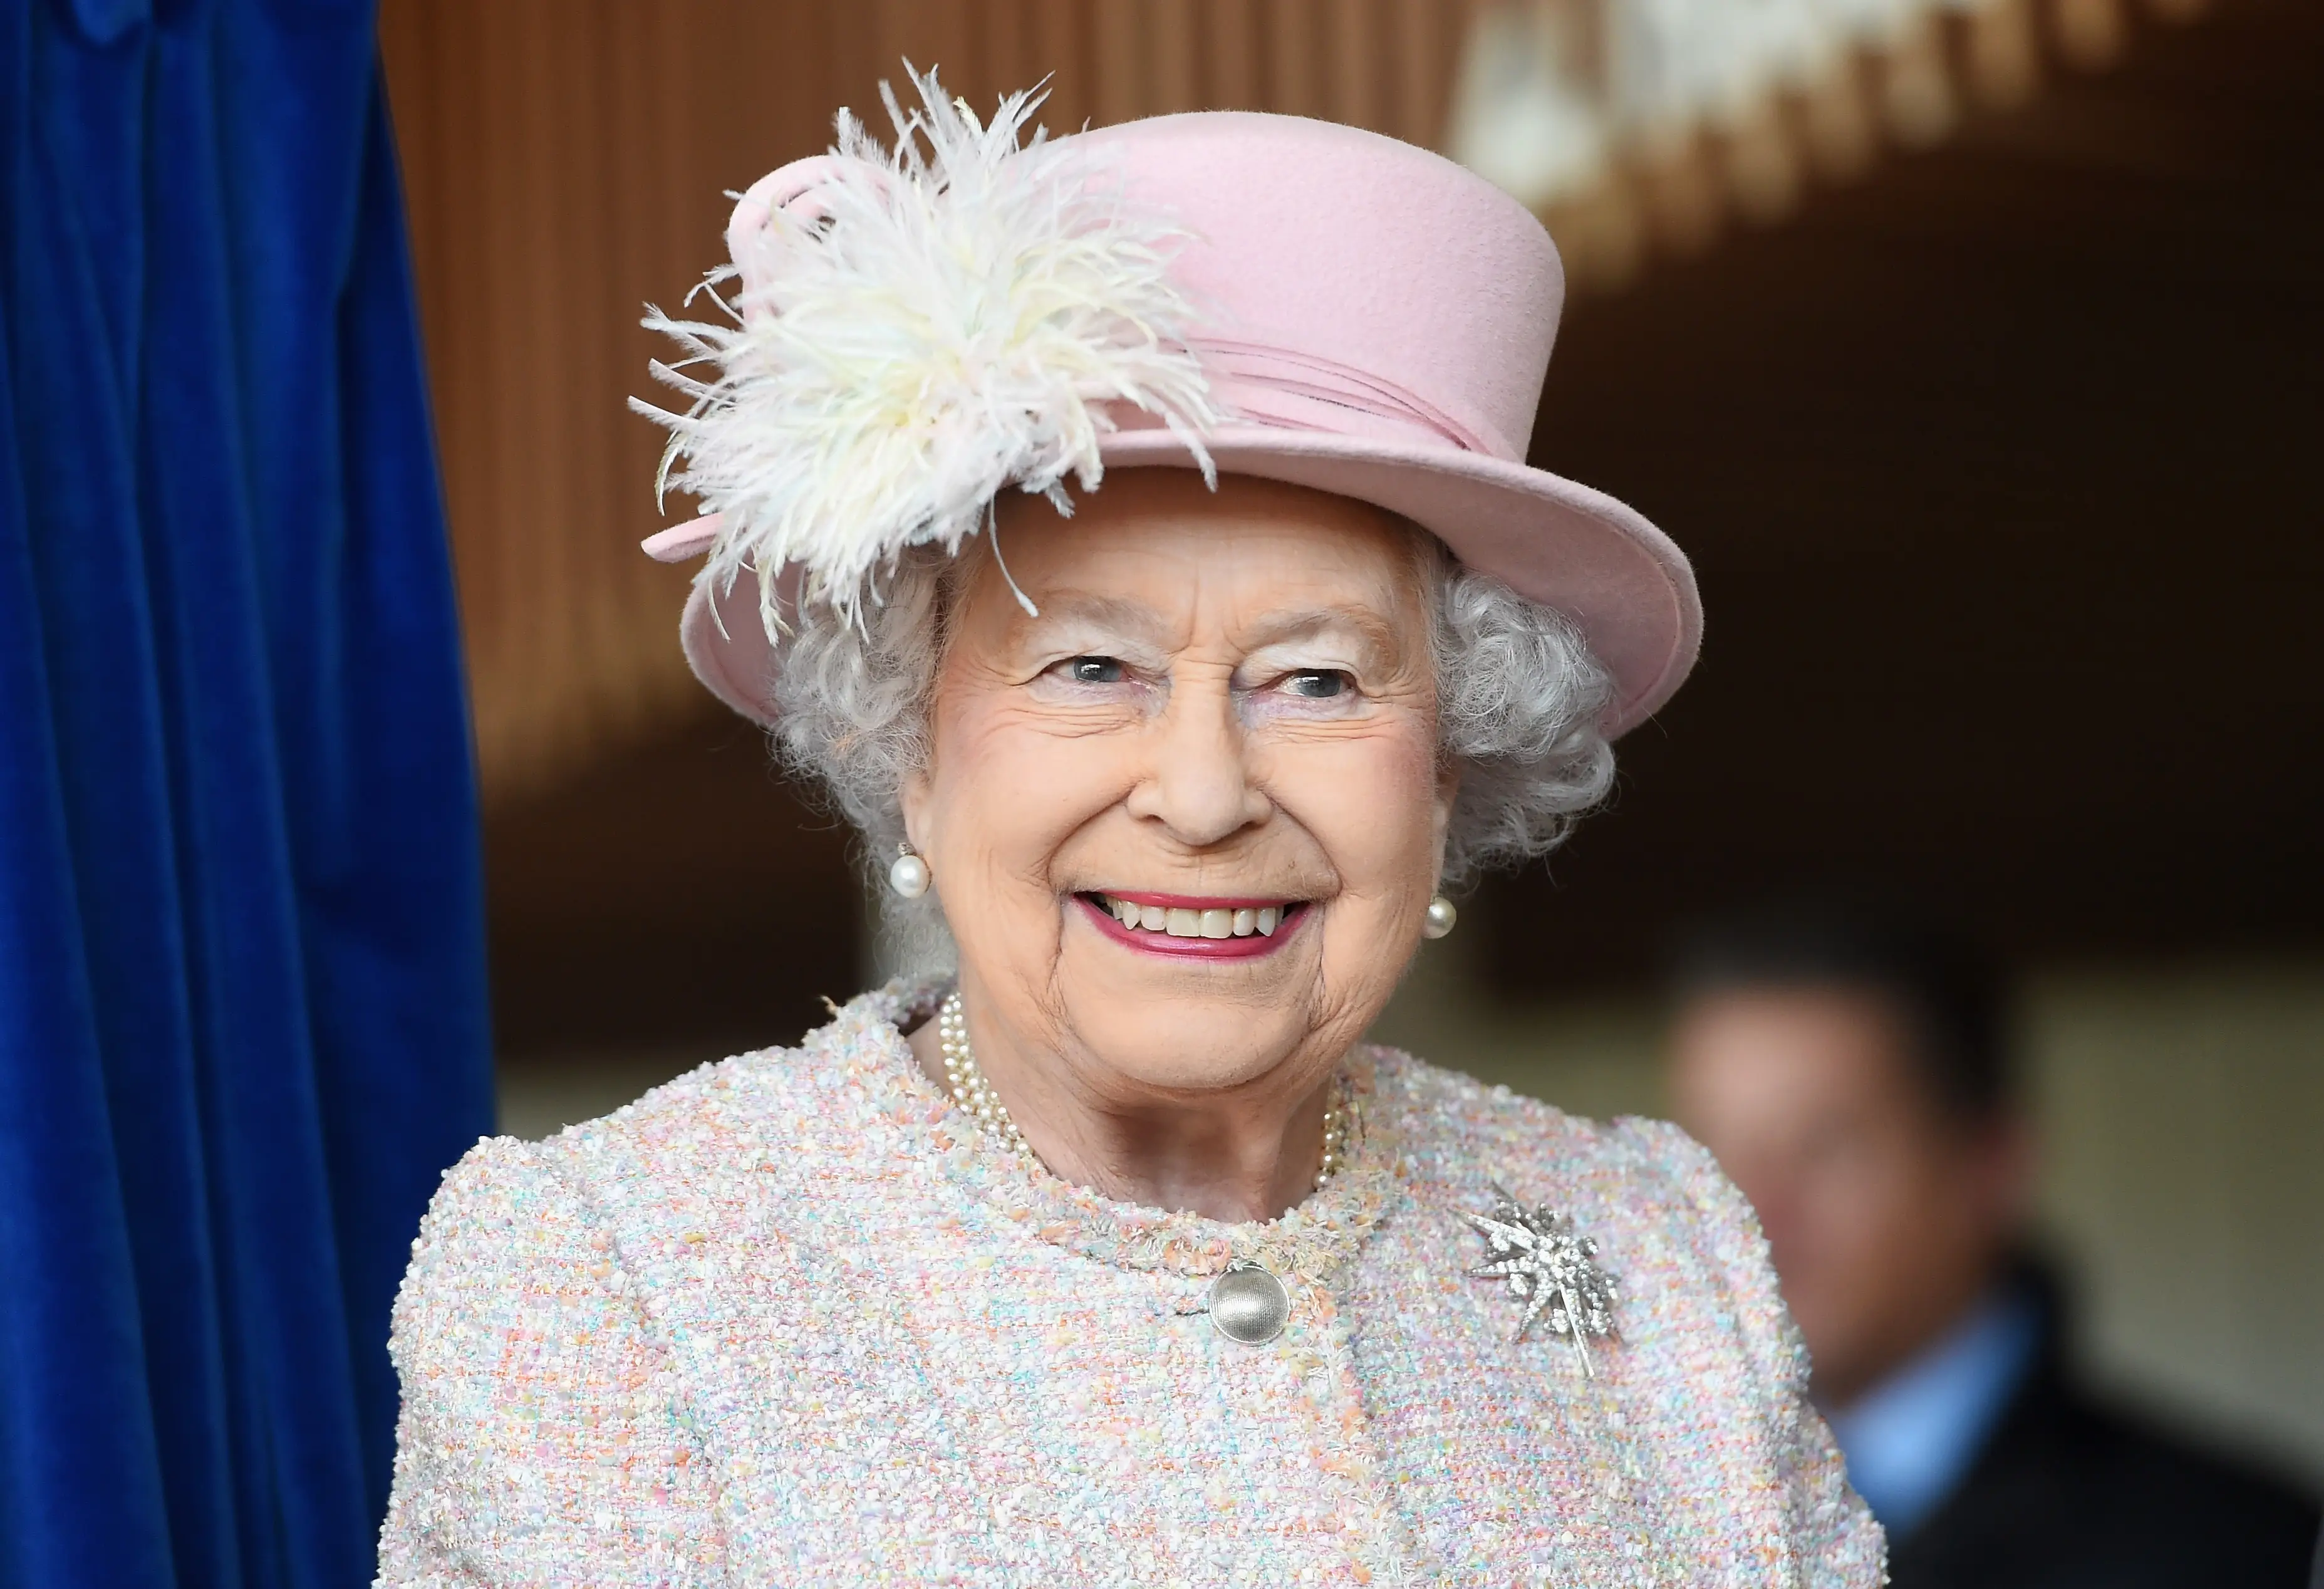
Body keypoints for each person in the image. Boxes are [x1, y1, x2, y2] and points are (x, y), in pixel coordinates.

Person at [373, 74, 1886, 1584]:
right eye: (1091, 667)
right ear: (912, 745)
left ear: (1447, 768)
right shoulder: (618, 1278)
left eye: (1317, 679)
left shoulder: (1659, 1253)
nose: (1207, 792)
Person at [1666, 900, 2321, 1589]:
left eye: (1824, 1146)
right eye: (1708, 1151)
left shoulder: (2240, 1551)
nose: (1749, 1207)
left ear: (1990, 1165)